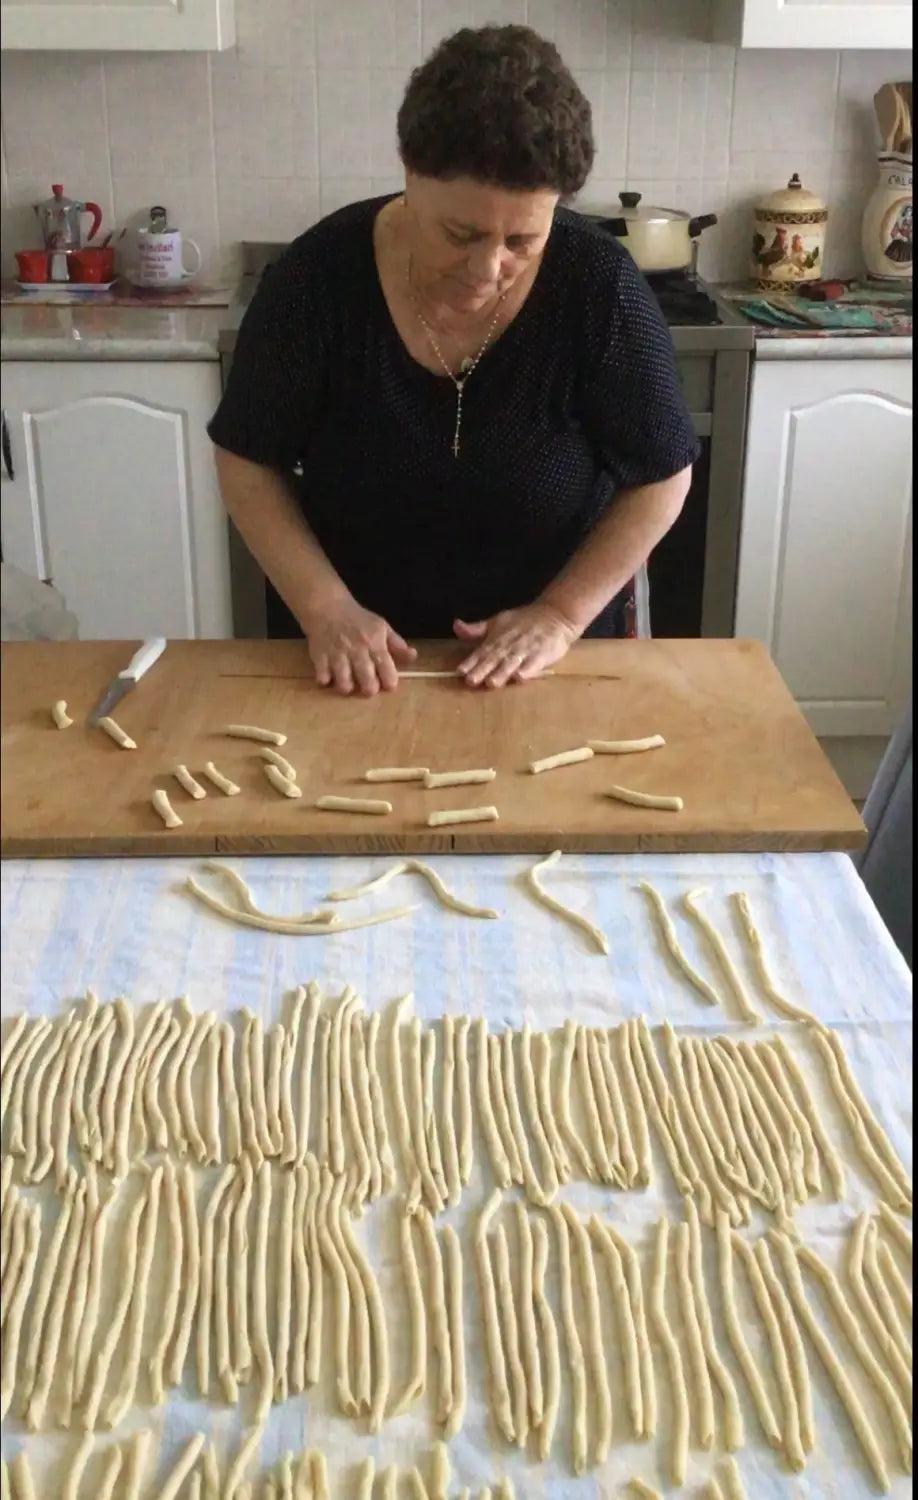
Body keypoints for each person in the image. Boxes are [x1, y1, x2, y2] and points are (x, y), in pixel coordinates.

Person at [208, 23, 697, 695]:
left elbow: (661, 478)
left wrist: (559, 616)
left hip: (546, 665)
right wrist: (326, 609)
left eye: (523, 239)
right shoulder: (316, 280)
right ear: (409, 175)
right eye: (460, 233)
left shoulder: (598, 288)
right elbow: (246, 456)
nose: (487, 269)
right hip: (353, 659)